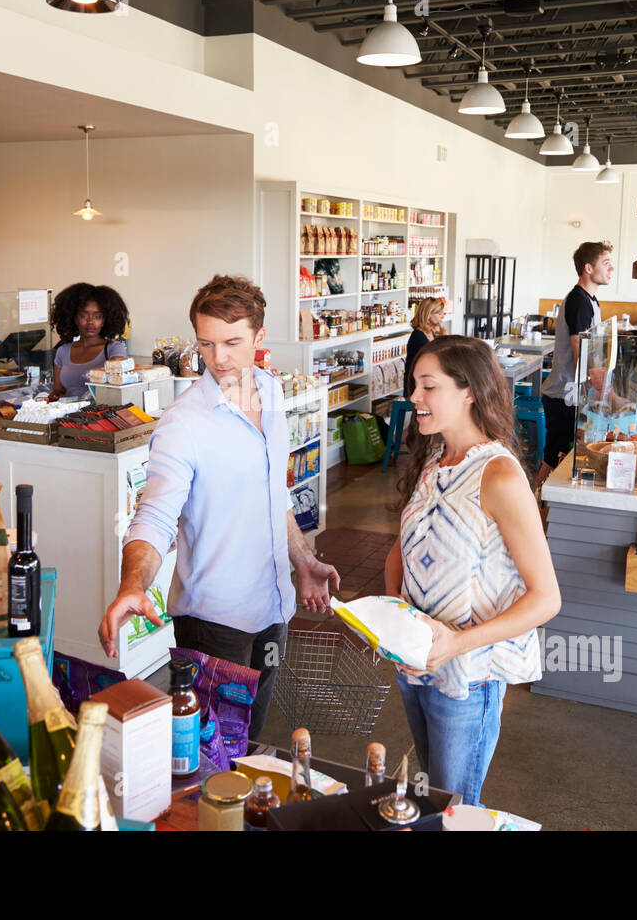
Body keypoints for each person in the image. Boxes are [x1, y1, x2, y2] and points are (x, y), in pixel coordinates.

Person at [97, 275, 340, 738]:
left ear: (259, 338)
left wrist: (303, 560)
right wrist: (133, 584)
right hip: (214, 625)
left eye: (232, 342)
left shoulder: (270, 391)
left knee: (250, 742)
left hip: (273, 610)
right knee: (208, 755)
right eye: (206, 344)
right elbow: (154, 515)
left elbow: (274, 494)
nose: (218, 358)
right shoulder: (183, 423)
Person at [384, 336, 561, 807]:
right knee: (437, 796)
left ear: (469, 392)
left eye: (427, 386)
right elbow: (400, 551)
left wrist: (455, 644)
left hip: (469, 675)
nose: (414, 398)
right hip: (418, 666)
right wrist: (395, 622)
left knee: (456, 809)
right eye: (414, 386)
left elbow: (546, 598)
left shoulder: (499, 475)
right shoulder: (432, 460)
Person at [538, 241, 612, 484]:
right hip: (563, 394)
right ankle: (535, 506)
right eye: (606, 263)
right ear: (588, 268)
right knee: (554, 456)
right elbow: (581, 349)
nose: (611, 269)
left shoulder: (590, 300)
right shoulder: (579, 301)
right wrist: (602, 388)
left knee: (564, 454)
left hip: (573, 393)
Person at [51, 283, 129, 398]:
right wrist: (53, 397)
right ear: (74, 318)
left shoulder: (114, 349)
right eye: (84, 316)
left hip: (98, 413)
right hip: (68, 413)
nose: (90, 322)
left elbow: (116, 386)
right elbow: (58, 391)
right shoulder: (63, 351)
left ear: (104, 320)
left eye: (97, 316)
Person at [404, 297, 446, 398]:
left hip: (428, 382)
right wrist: (445, 340)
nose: (442, 317)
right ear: (428, 315)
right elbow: (434, 360)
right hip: (416, 386)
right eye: (439, 314)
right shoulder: (418, 337)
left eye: (443, 314)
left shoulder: (432, 333)